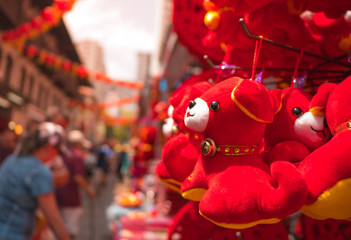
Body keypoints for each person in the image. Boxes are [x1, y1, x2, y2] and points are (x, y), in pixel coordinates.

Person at [0, 122, 71, 240]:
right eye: (57, 152)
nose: (56, 156)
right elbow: (54, 219)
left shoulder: (13, 159)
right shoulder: (39, 172)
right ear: (50, 147)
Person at [55, 130, 95, 239]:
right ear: (78, 143)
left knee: (60, 226)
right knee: (70, 230)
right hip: (71, 198)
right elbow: (78, 178)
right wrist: (89, 190)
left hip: (58, 196)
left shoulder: (60, 153)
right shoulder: (77, 155)